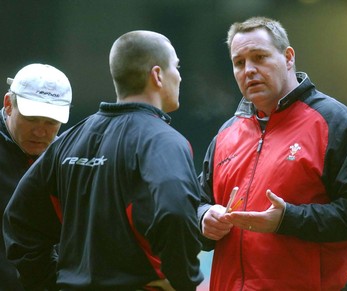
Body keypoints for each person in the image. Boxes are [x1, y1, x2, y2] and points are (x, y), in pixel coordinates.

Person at [3, 30, 204, 291]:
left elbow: (19, 219)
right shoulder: (164, 141)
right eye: (176, 67)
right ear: (157, 75)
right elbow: (176, 212)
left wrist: (51, 283)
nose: (179, 75)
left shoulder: (69, 141)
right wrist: (183, 281)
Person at [198, 16, 347, 291]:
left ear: (288, 57)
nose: (249, 70)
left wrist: (288, 219)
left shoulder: (333, 121)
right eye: (239, 63)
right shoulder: (226, 134)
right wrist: (204, 217)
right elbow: (197, 203)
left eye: (260, 57)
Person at [0, 63, 72, 290]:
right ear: (9, 105)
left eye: (51, 122)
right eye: (31, 119)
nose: (40, 132)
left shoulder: (70, 155)